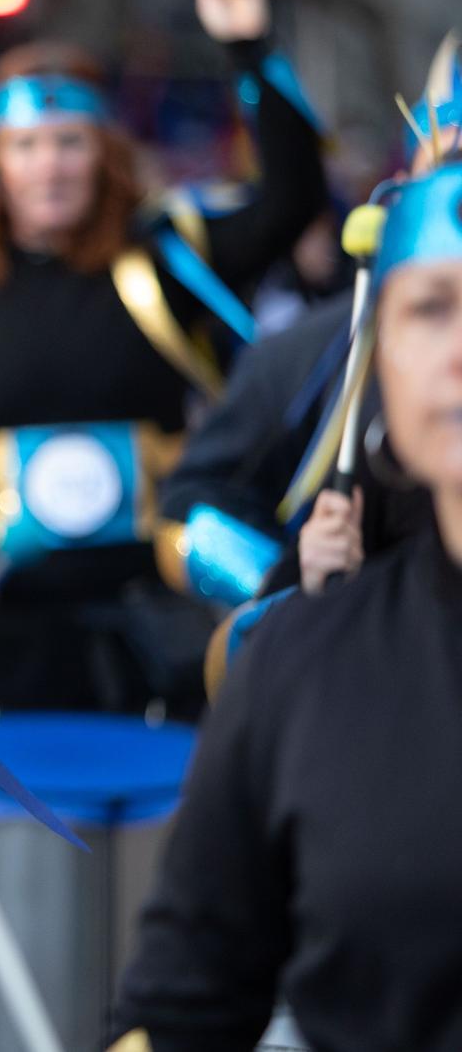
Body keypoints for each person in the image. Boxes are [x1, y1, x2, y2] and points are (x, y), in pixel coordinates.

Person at [0, 0, 327, 717]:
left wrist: (249, 43)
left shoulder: (168, 262)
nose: (50, 167)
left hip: (159, 624)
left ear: (104, 156)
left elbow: (292, 198)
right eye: (27, 146)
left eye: (69, 143)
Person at [110, 161, 462, 1052]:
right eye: (431, 308)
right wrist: (280, 575)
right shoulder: (299, 667)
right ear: (379, 350)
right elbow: (186, 999)